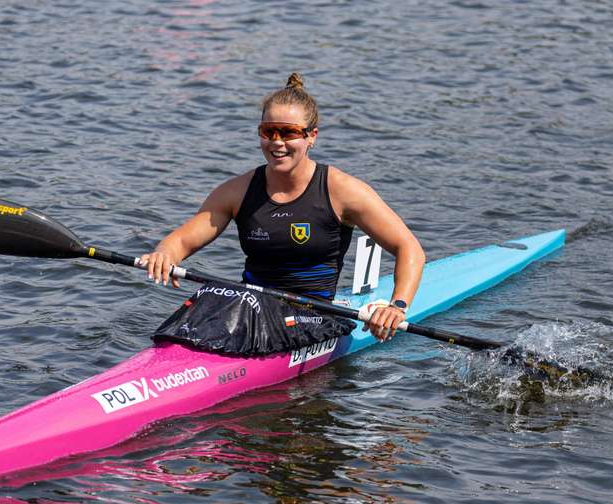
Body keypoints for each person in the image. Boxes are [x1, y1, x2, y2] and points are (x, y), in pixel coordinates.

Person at [141, 73, 425, 341]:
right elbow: (182, 240)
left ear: (311, 136)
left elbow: (408, 248)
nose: (277, 142)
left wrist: (397, 306)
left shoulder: (343, 191)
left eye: (288, 133)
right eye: (268, 132)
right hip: (251, 307)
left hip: (314, 314)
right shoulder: (237, 191)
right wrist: (165, 254)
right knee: (209, 298)